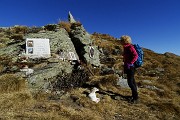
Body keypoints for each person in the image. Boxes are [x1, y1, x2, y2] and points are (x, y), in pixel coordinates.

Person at [120, 35, 139, 103]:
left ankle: (136, 98)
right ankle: (134, 96)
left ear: (125, 41)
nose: (120, 41)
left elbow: (136, 55)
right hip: (128, 66)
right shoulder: (125, 47)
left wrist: (130, 63)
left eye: (121, 40)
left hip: (131, 67)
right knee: (133, 82)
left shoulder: (130, 47)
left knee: (130, 83)